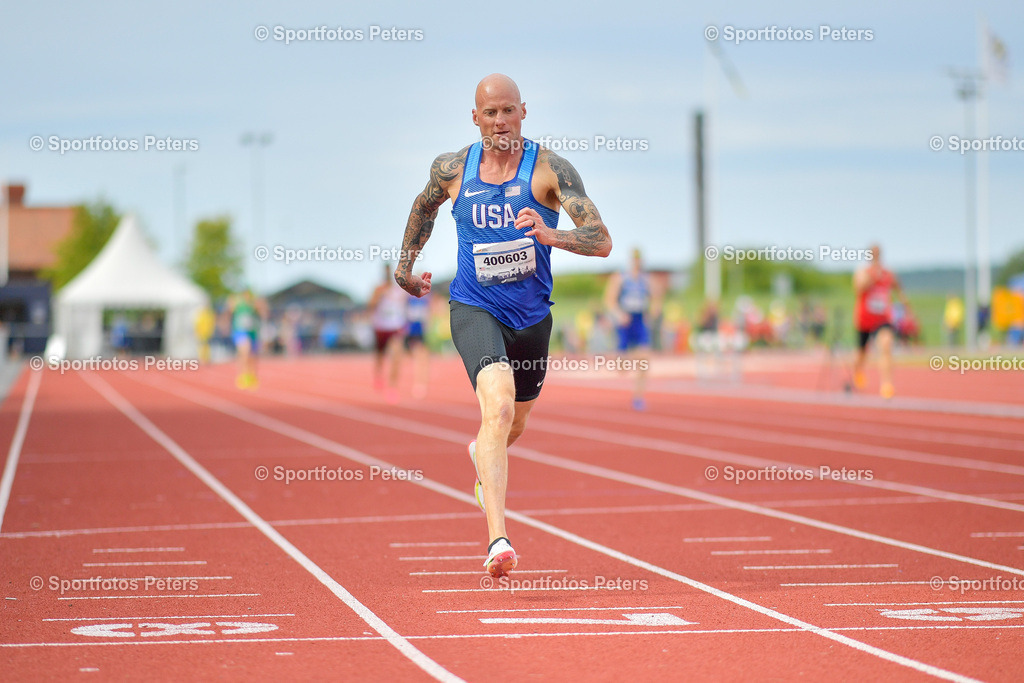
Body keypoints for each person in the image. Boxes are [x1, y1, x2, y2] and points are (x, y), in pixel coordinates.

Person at [394, 74, 612, 577]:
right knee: (497, 409)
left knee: (514, 423)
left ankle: (480, 456)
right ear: (475, 118)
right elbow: (422, 208)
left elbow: (600, 240)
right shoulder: (452, 169)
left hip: (532, 317)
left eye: (508, 111)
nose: (500, 121)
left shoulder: (549, 169)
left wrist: (549, 233)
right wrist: (405, 268)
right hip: (474, 307)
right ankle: (498, 539)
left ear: (523, 112)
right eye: (490, 113)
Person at [603, 247, 661, 410]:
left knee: (645, 360)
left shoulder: (646, 279)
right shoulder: (620, 278)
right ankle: (625, 359)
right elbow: (609, 301)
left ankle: (638, 397)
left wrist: (653, 314)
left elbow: (656, 299)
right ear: (630, 261)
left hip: (639, 319)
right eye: (634, 259)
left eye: (639, 259)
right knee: (621, 366)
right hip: (624, 321)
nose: (637, 262)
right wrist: (619, 315)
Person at [852, 244, 908, 399]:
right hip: (864, 319)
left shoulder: (888, 273)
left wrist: (906, 306)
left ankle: (887, 384)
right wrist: (873, 277)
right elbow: (858, 288)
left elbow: (899, 289)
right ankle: (858, 371)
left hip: (882, 319)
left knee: (886, 345)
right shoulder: (862, 272)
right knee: (861, 353)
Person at [368, 263, 408, 404]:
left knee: (396, 356)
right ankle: (379, 376)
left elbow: (405, 305)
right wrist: (378, 296)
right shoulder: (378, 289)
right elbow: (370, 306)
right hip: (381, 327)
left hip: (395, 327)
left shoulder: (399, 290)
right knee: (380, 356)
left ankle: (392, 387)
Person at [229, 289, 267, 390]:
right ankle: (242, 375)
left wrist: (260, 305)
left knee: (253, 356)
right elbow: (230, 308)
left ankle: (252, 376)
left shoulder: (253, 305)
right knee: (244, 352)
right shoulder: (238, 304)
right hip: (240, 331)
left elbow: (263, 313)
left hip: (253, 333)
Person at [405, 292, 432, 399]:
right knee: (416, 356)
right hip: (413, 329)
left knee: (422, 357)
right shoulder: (409, 297)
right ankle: (418, 383)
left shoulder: (426, 297)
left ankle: (420, 383)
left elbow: (428, 312)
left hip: (421, 328)